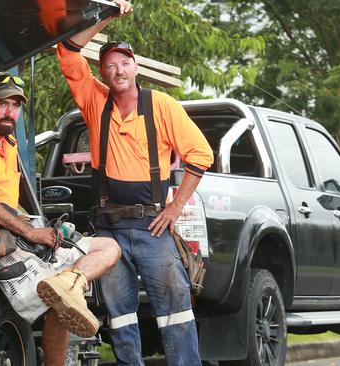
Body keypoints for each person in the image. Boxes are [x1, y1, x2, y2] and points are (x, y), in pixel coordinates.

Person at [56, 1, 214, 365]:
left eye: (124, 62)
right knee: (121, 318)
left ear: (136, 67)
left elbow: (200, 156)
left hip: (152, 228)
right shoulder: (95, 101)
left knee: (175, 312)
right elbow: (67, 51)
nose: (118, 69)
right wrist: (107, 14)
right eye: (110, 64)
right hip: (109, 230)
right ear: (103, 72)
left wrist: (175, 208)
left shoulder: (161, 105)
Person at [0, 71, 121, 366]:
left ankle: (70, 283)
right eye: (3, 104)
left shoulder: (9, 144)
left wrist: (38, 227)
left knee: (109, 248)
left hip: (14, 235)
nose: (10, 112)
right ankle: (66, 292)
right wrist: (32, 233)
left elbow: (8, 205)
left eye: (16, 105)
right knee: (59, 304)